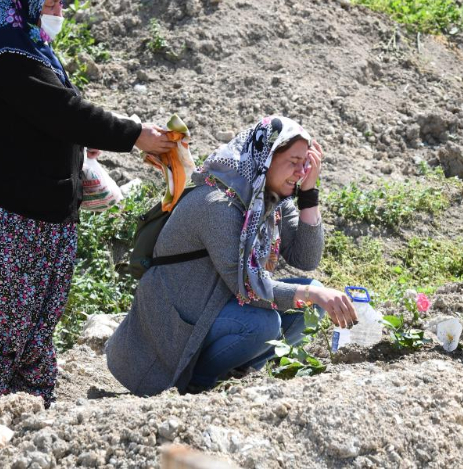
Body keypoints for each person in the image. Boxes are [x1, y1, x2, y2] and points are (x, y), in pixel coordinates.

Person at [0, 0, 173, 407]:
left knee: (28, 323)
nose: (59, 11)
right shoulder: (5, 51)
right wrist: (133, 135)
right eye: (50, 3)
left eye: (61, 1)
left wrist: (80, 142)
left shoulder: (26, 42)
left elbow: (36, 116)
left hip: (31, 218)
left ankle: (26, 404)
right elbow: (61, 110)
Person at [106, 115, 359, 395]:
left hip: (218, 308)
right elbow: (248, 288)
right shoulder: (218, 203)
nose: (301, 172)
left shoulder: (270, 197)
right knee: (264, 324)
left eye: (305, 163)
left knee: (310, 302)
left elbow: (305, 258)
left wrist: (309, 192)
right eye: (293, 162)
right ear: (266, 159)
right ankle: (197, 385)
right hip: (173, 327)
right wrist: (311, 294)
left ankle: (238, 373)